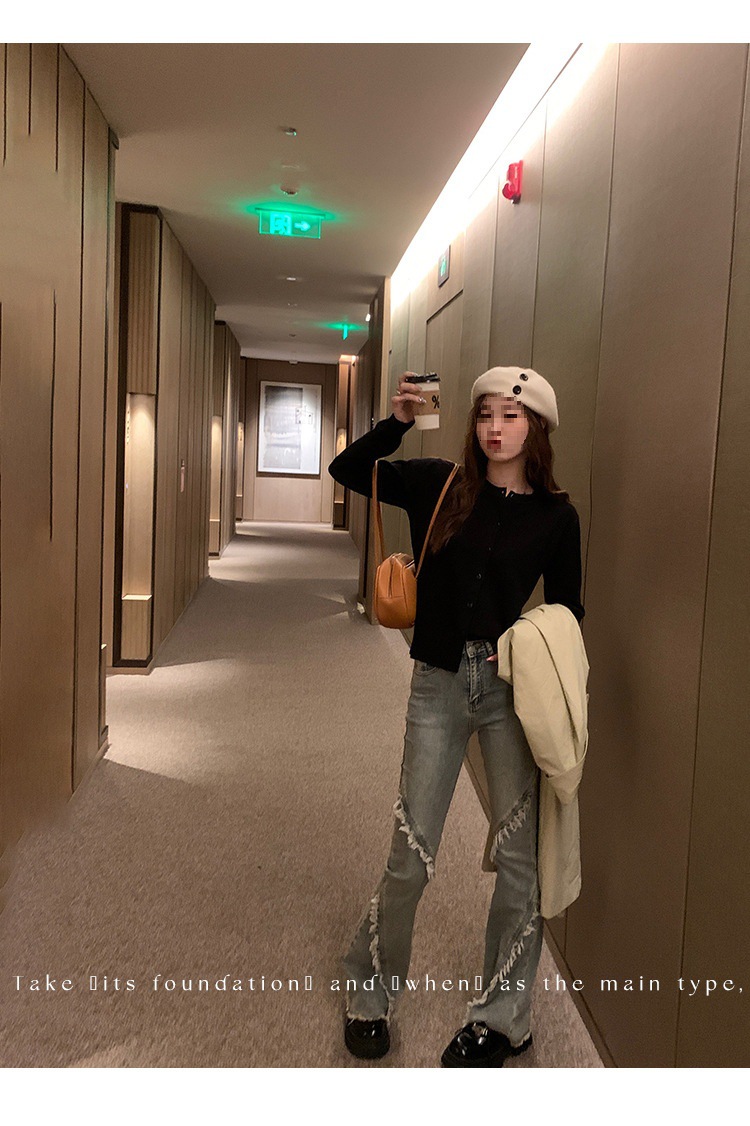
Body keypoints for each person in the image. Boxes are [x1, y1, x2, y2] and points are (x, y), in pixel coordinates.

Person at [327, 365, 585, 1067]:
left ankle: (504, 1018)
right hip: (438, 684)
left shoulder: (556, 516)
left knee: (520, 862)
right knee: (411, 851)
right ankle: (369, 989)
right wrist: (399, 422)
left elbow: (568, 610)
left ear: (537, 427)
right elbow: (347, 470)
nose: (495, 428)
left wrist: (522, 644)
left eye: (512, 415)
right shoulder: (439, 483)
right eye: (485, 414)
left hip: (508, 693)